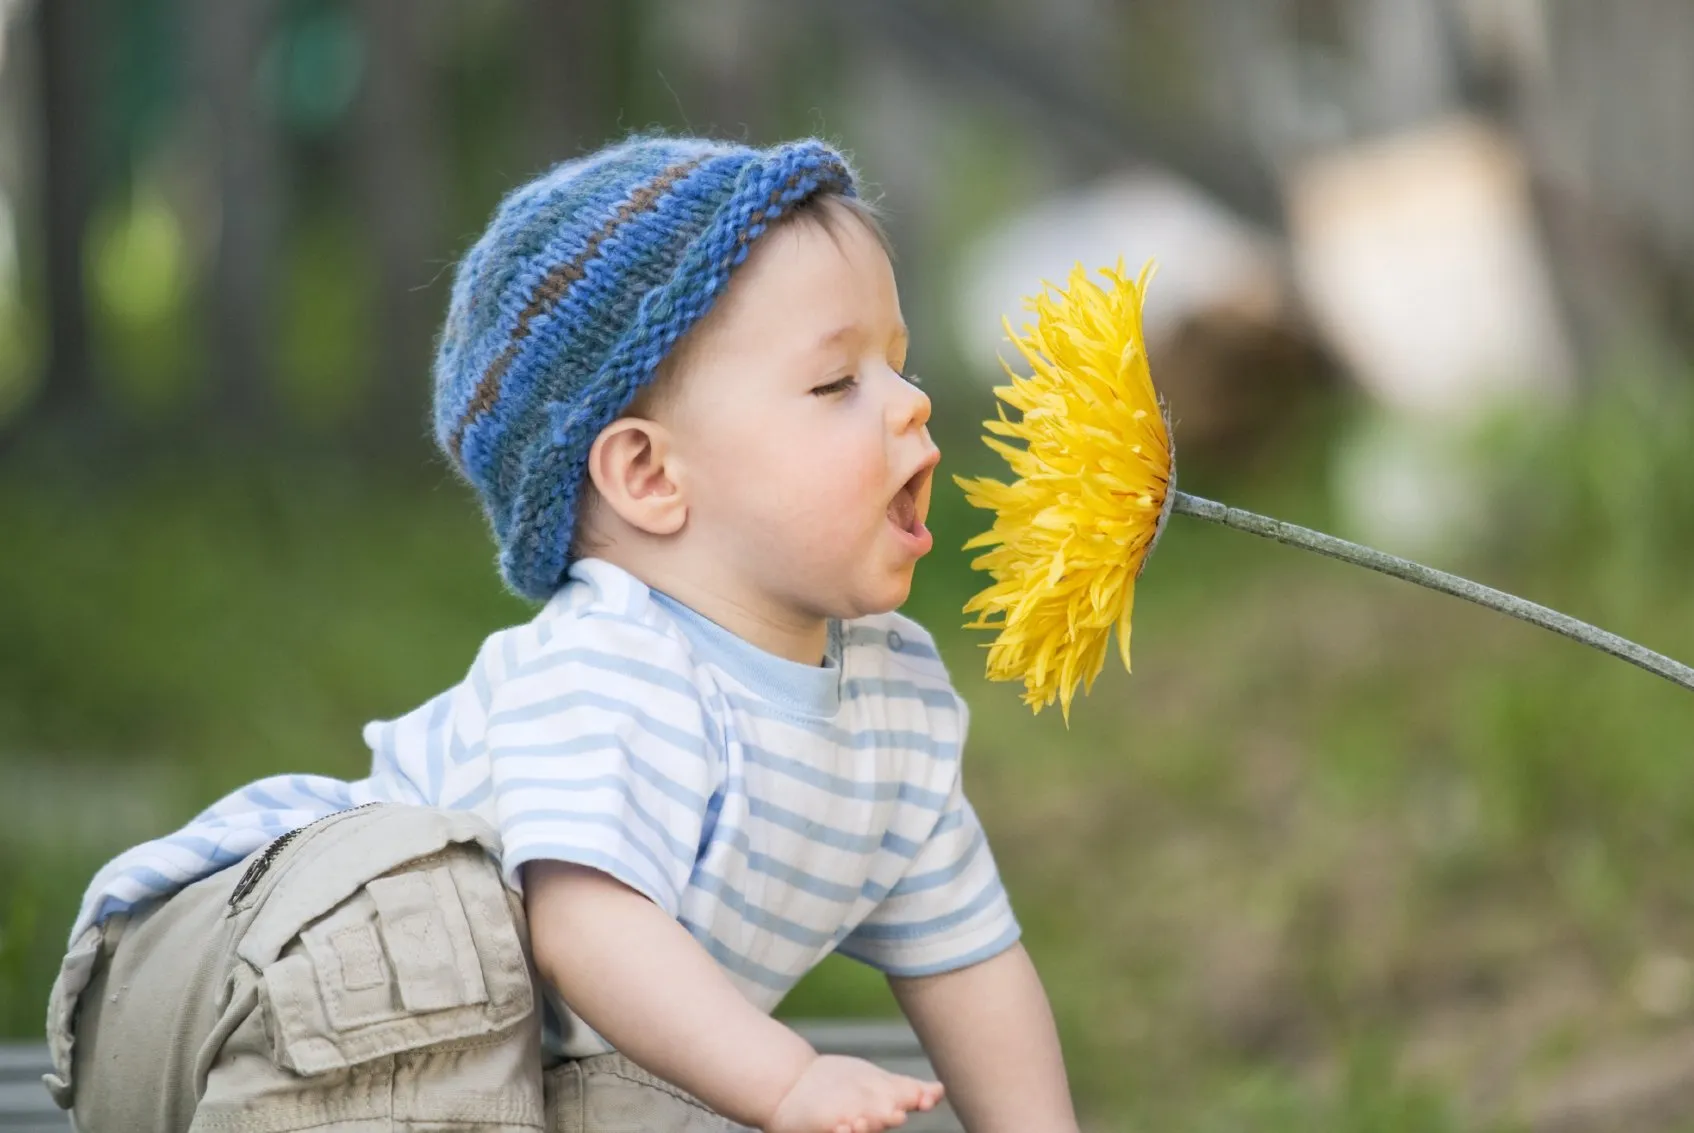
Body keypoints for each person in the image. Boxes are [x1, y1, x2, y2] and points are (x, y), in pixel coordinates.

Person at [44, 135, 1079, 1133]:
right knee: (443, 922)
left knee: (646, 1089)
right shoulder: (610, 665)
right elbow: (589, 928)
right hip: (213, 991)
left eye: (896, 364)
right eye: (835, 383)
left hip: (490, 1060)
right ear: (648, 475)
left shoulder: (892, 698)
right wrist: (784, 1077)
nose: (912, 403)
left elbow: (968, 958)